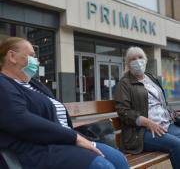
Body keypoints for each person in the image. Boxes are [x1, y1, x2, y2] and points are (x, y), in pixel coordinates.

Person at [0, 37, 129, 169]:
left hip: (65, 141)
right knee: (102, 167)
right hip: (41, 148)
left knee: (119, 160)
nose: (36, 60)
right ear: (12, 56)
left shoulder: (34, 84)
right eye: (31, 55)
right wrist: (75, 138)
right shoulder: (3, 83)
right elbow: (20, 120)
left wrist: (75, 138)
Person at [115, 46, 180, 169]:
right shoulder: (124, 83)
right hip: (141, 132)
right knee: (177, 145)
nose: (137, 61)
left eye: (140, 57)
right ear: (128, 64)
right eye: (133, 59)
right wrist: (147, 122)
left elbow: (158, 103)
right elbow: (123, 112)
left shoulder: (151, 78)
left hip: (165, 124)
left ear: (145, 60)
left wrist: (171, 114)